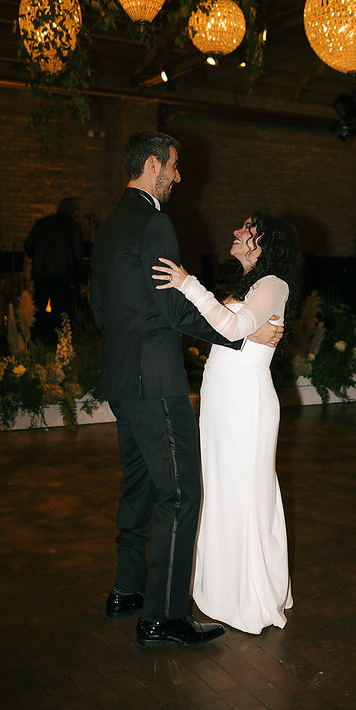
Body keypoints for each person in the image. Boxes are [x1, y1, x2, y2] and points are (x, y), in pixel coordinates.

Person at [90, 131, 283, 648]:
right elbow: (171, 308)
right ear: (153, 165)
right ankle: (164, 616)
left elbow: (100, 309)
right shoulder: (155, 222)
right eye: (174, 166)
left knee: (136, 485)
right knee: (180, 492)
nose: (178, 176)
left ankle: (126, 590)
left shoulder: (110, 225)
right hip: (154, 381)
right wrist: (236, 338)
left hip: (120, 378)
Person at [152, 212, 300, 634]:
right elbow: (228, 327)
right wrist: (238, 327)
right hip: (223, 399)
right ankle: (220, 587)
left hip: (245, 402)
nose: (236, 231)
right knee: (220, 487)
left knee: (243, 491)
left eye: (247, 228)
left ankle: (247, 595)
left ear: (265, 242)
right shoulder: (251, 286)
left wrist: (188, 284)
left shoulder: (272, 284)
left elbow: (232, 325)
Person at [24, 197, 84, 344]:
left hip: (41, 276)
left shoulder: (42, 224)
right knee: (61, 315)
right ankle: (58, 346)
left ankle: (37, 343)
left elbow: (28, 245)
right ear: (72, 211)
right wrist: (80, 277)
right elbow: (78, 256)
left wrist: (39, 258)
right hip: (63, 278)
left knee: (39, 312)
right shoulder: (73, 228)